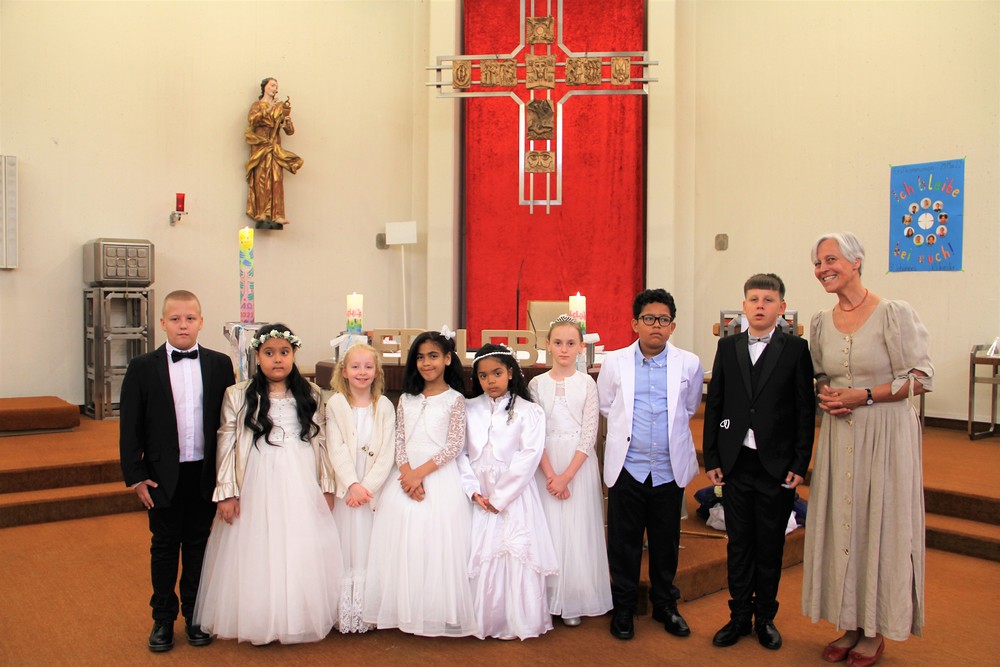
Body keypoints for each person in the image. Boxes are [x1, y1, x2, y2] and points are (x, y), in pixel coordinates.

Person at [804, 233, 933, 667]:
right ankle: (850, 623)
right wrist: (827, 393)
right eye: (818, 263)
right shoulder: (820, 322)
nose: (823, 269)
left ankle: (875, 629)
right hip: (840, 434)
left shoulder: (893, 313)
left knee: (881, 525)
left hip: (886, 435)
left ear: (856, 262)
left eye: (831, 259)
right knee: (845, 526)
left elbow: (921, 377)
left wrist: (864, 396)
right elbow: (821, 373)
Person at [193, 324, 344, 645]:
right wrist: (227, 492)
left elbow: (322, 441)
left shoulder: (311, 393)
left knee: (299, 544)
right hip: (256, 477)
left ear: (294, 354)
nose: (277, 359)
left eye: (284, 352)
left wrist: (327, 485)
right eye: (269, 353)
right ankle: (260, 616)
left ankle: (296, 614)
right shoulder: (238, 394)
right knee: (259, 547)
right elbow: (227, 443)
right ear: (258, 356)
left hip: (301, 478)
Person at [702, 273, 815, 651]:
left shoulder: (796, 349)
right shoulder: (728, 346)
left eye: (768, 300)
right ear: (744, 306)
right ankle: (738, 617)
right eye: (754, 299)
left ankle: (765, 617)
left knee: (769, 545)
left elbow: (804, 409)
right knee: (739, 544)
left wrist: (800, 462)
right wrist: (713, 456)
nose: (760, 306)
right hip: (736, 462)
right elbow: (716, 404)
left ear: (782, 307)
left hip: (777, 464)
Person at [119, 290, 235, 652]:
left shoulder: (219, 364)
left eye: (189, 318)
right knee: (165, 547)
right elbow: (130, 425)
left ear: (201, 321)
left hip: (204, 472)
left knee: (199, 545)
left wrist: (226, 474)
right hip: (161, 475)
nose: (182, 325)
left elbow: (227, 423)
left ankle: (196, 616)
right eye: (175, 319)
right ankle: (163, 619)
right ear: (162, 323)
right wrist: (136, 475)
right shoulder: (142, 367)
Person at [597, 288, 704, 640]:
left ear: (672, 326)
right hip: (628, 467)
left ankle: (665, 605)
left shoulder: (688, 363)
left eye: (663, 319)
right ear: (635, 324)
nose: (656, 325)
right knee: (623, 543)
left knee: (665, 542)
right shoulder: (614, 362)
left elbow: (689, 408)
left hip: (668, 469)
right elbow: (607, 406)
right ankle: (623, 607)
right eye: (649, 318)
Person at [363, 329, 478, 637]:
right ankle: (405, 607)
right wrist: (407, 474)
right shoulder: (406, 399)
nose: (427, 363)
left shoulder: (455, 400)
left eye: (433, 356)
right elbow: (399, 439)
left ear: (447, 359)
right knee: (405, 537)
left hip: (439, 475)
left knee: (437, 539)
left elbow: (454, 445)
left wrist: (420, 474)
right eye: (421, 357)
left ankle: (436, 610)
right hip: (405, 475)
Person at [460, 344, 559, 640]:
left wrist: (500, 498)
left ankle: (518, 618)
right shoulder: (468, 408)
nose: (490, 381)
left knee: (514, 553)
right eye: (483, 376)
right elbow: (460, 453)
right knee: (483, 554)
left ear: (510, 373)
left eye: (497, 373)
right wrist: (472, 490)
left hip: (514, 495)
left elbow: (529, 456)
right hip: (479, 494)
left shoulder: (530, 411)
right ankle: (483, 618)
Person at [527, 316, 612, 626]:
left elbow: (589, 434)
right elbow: (534, 432)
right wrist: (551, 475)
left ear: (580, 348)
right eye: (558, 342)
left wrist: (566, 477)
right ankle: (548, 595)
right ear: (548, 345)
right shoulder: (536, 384)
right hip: (546, 461)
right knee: (549, 527)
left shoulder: (587, 383)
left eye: (571, 343)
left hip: (577, 463)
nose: (564, 349)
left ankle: (574, 597)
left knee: (577, 528)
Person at [325, 343, 396, 633]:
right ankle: (344, 611)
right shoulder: (335, 404)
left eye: (368, 366)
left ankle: (369, 609)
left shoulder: (385, 406)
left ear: (377, 371)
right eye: (355, 367)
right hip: (347, 490)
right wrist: (352, 484)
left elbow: (387, 452)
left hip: (371, 493)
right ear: (344, 371)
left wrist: (367, 487)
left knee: (370, 547)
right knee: (345, 547)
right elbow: (336, 447)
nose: (362, 372)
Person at [245, 77, 303, 224]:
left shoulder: (280, 107)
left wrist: (288, 123)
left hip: (274, 146)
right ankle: (261, 212)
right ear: (265, 87)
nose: (275, 88)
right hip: (261, 146)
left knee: (276, 179)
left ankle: (278, 214)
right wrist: (269, 109)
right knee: (261, 178)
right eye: (272, 85)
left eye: (276, 86)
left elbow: (290, 132)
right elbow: (252, 120)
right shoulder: (257, 105)